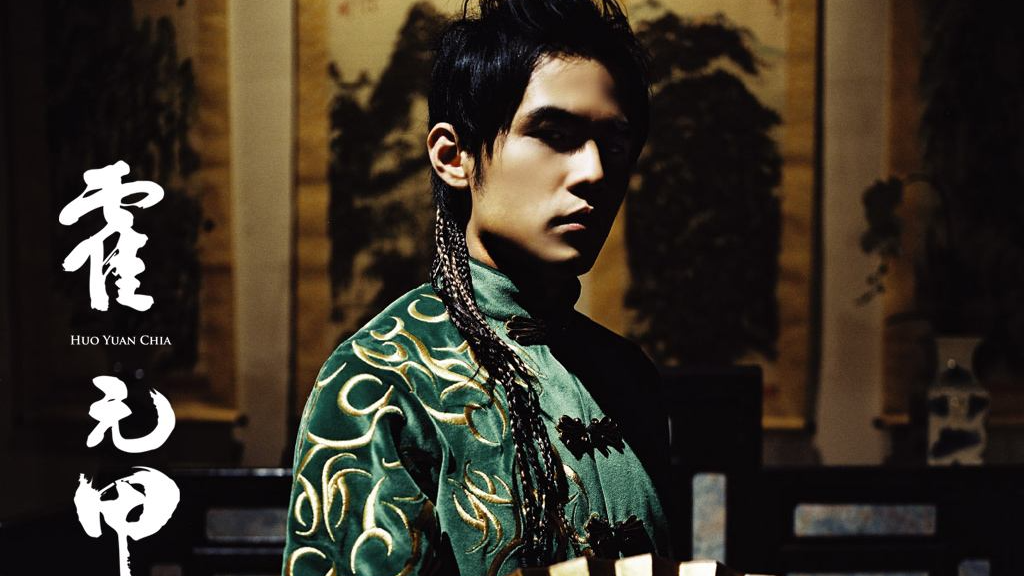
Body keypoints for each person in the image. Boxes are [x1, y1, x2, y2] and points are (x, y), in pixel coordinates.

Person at [282, 1, 671, 574]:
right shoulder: (380, 381)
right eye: (554, 134)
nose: (594, 171)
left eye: (613, 143)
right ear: (453, 156)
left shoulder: (628, 376)